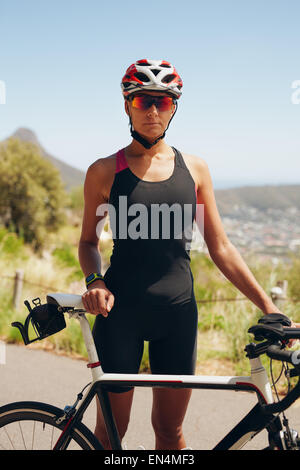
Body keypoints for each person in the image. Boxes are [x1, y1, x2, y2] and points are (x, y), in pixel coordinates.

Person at [78, 59, 290, 450]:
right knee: (110, 433)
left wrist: (267, 306)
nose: (153, 110)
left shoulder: (195, 170)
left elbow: (221, 247)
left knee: (170, 432)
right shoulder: (104, 171)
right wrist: (95, 281)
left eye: (163, 101)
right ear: (127, 105)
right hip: (118, 315)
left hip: (177, 316)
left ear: (174, 107)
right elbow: (88, 243)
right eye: (143, 101)